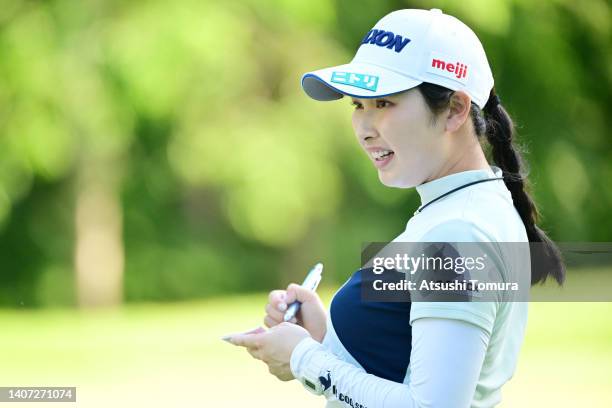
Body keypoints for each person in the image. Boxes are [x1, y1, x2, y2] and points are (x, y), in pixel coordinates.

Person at [228, 8, 565, 407]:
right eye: (357, 105)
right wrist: (322, 337)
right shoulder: (459, 209)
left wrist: (303, 357)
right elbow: (400, 370)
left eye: (384, 103)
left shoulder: (458, 231)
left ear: (456, 109)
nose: (364, 128)